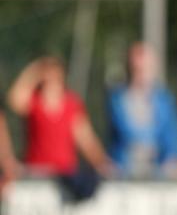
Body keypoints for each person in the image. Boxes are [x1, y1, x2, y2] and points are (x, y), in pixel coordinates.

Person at [7, 57, 113, 200]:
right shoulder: (34, 102)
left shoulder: (71, 105)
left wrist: (102, 163)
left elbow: (86, 140)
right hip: (37, 175)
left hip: (64, 175)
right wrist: (33, 71)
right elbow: (14, 99)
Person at [107, 42, 177, 178]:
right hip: (124, 169)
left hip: (158, 170)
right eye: (138, 69)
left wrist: (173, 156)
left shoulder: (164, 99)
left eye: (147, 69)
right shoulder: (118, 99)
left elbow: (172, 133)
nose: (143, 74)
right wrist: (150, 145)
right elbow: (124, 132)